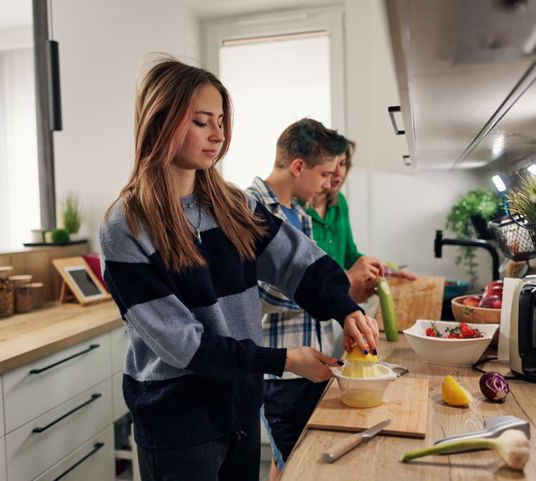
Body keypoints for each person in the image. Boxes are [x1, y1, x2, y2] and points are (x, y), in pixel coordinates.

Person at [99, 59, 379, 481]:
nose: (219, 135)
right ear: (162, 122)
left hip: (241, 407)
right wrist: (282, 360)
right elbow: (184, 346)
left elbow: (296, 260)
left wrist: (345, 308)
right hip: (179, 422)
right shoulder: (127, 226)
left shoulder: (234, 207)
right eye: (201, 121)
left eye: (222, 121)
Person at [247, 120, 385, 480]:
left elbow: (315, 283)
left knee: (299, 463)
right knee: (298, 466)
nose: (329, 183)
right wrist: (343, 285)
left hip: (316, 362)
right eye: (325, 173)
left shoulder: (302, 215)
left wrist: (343, 307)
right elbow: (259, 291)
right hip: (281, 370)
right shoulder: (251, 208)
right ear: (298, 167)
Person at [307, 139, 417, 287]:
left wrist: (385, 270)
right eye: (334, 164)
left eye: (343, 163)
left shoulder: (340, 202)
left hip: (334, 299)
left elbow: (348, 255)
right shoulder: (297, 209)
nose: (338, 173)